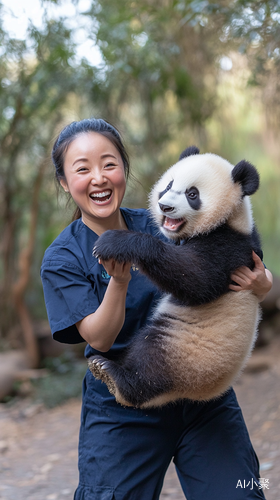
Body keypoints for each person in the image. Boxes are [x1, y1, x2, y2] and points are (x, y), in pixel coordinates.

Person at [41, 118, 273, 500]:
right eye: (83, 169)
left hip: (205, 402)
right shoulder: (62, 257)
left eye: (109, 164)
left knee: (244, 491)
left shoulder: (160, 223)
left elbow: (226, 259)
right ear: (65, 182)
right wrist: (119, 280)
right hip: (123, 407)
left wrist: (260, 281)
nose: (98, 177)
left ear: (124, 171)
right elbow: (99, 338)